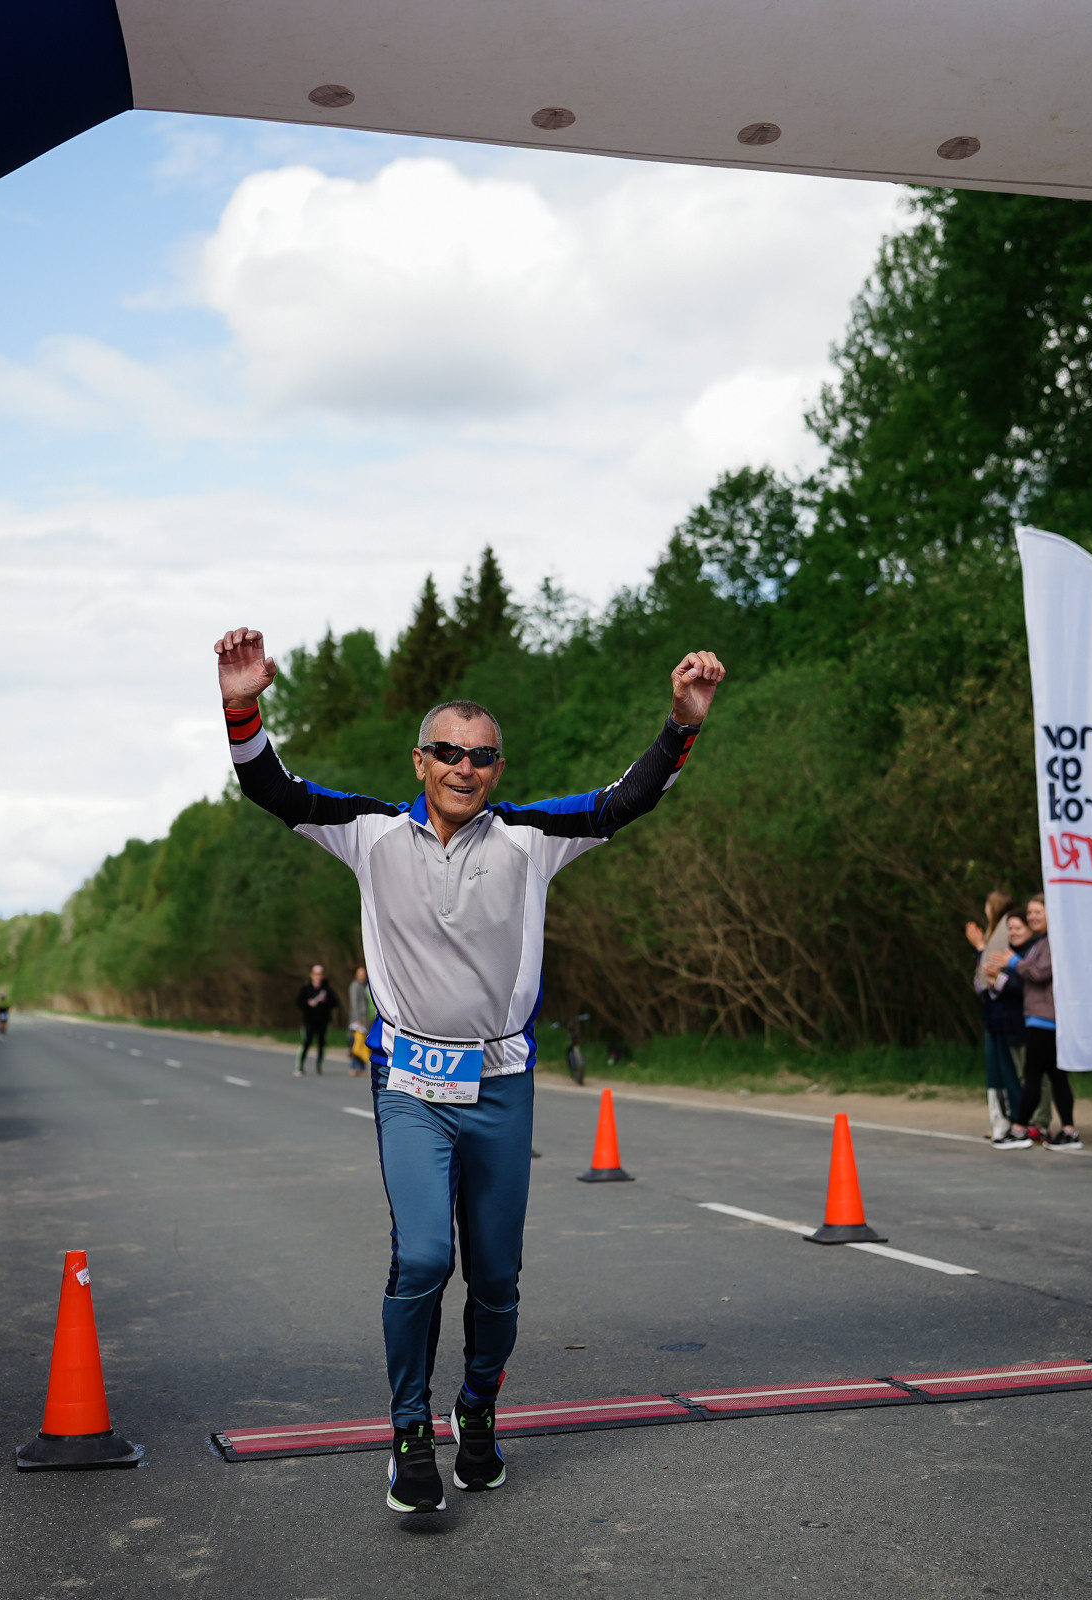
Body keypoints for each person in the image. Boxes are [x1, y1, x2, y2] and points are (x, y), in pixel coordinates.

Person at [213, 624, 723, 1515]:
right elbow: (270, 786)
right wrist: (242, 706)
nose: (465, 768)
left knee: (495, 1277)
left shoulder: (530, 840)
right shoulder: (368, 834)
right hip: (410, 1087)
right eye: (447, 752)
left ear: (498, 768)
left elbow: (622, 801)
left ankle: (477, 1409)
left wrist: (680, 726)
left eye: (482, 757)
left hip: (500, 1088)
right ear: (420, 760)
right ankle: (409, 1430)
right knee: (421, 1257)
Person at [993, 896, 1077, 1148]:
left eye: (1037, 912)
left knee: (1032, 1076)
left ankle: (1020, 1129)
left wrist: (1014, 963)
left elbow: (1040, 973)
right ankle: (1069, 1131)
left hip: (1045, 1019)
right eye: (1029, 913)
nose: (1032, 917)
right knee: (1055, 1076)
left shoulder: (1053, 942)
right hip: (1039, 1018)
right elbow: (1028, 976)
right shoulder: (1041, 943)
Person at [972, 898, 1030, 1149]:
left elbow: (1020, 984)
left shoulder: (1020, 950)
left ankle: (1019, 1121)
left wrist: (981, 950)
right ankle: (1001, 1122)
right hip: (993, 1017)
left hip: (1011, 1020)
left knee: (1013, 1073)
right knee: (996, 1074)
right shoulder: (995, 936)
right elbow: (982, 981)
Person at [298, 964, 339, 1075]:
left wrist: (325, 1001)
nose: (318, 976)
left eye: (320, 974)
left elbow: (335, 1003)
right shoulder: (306, 988)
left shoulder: (327, 989)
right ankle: (300, 1065)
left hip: (323, 1020)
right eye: (316, 974)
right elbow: (299, 1002)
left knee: (321, 1043)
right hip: (309, 1020)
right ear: (312, 975)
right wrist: (308, 1003)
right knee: (307, 1041)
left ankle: (318, 1066)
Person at [347, 965, 375, 1076]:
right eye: (360, 974)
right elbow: (354, 1004)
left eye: (364, 974)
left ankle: (360, 1067)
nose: (362, 976)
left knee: (361, 1043)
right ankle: (354, 1066)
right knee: (356, 1043)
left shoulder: (365, 986)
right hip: (357, 1019)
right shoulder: (355, 986)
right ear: (356, 975)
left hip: (365, 1018)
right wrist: (358, 1019)